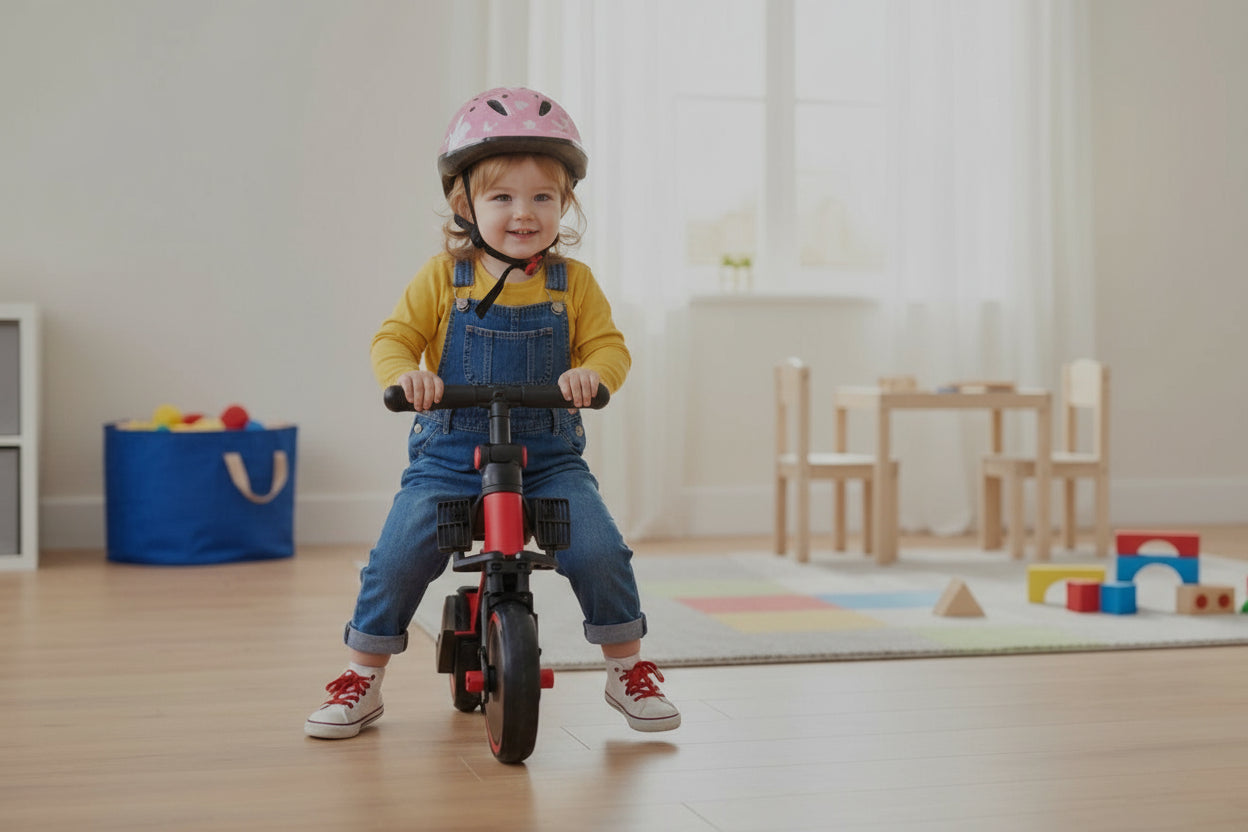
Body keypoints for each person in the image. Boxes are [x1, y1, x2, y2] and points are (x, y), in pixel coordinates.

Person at [305, 87, 680, 739]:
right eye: (502, 197)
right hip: (451, 457)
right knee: (397, 556)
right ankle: (362, 676)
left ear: (565, 204)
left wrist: (594, 374)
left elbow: (607, 345)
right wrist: (408, 377)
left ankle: (627, 669)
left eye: (542, 197)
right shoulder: (444, 278)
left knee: (599, 549)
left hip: (548, 458)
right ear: (465, 204)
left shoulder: (574, 283)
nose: (523, 213)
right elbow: (393, 338)